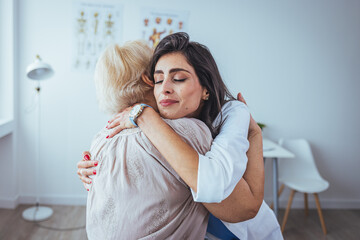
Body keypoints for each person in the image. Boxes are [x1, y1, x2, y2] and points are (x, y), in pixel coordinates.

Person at [79, 33, 282, 239]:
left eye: (178, 79)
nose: (165, 88)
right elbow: (244, 206)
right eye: (158, 79)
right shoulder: (184, 131)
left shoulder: (102, 139)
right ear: (148, 82)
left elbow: (242, 206)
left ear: (206, 89)